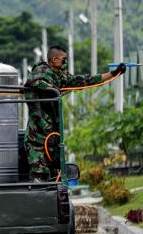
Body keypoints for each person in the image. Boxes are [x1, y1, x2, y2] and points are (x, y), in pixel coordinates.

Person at [23, 45, 125, 181]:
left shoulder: (60, 76)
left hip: (52, 136)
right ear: (54, 60)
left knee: (55, 175)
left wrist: (114, 73)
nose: (65, 63)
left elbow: (85, 81)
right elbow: (32, 97)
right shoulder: (40, 73)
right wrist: (46, 126)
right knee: (40, 176)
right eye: (63, 60)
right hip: (37, 137)